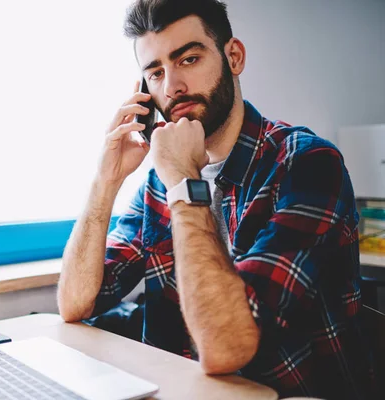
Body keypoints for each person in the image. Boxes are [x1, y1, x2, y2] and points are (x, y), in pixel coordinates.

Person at [57, 0, 374, 398]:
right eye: (155, 72)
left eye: (188, 59)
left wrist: (184, 185)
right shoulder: (160, 181)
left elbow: (228, 348)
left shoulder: (307, 163)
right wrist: (106, 181)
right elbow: (75, 304)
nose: (171, 86)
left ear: (234, 57)